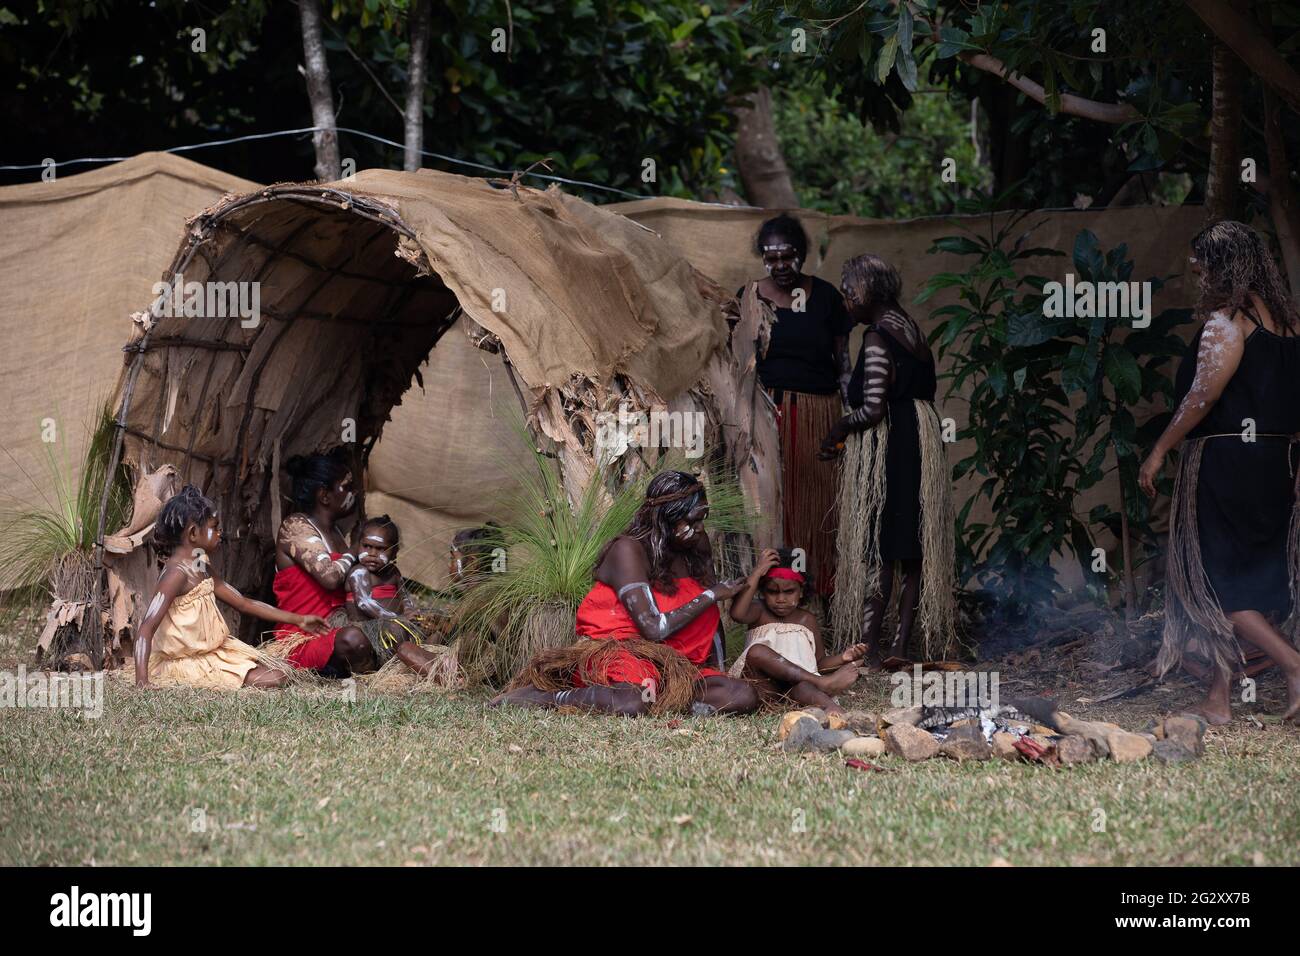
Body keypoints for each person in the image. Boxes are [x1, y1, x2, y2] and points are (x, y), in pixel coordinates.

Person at [1140, 220, 1300, 724]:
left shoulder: (1228, 322)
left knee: (1215, 586)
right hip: (1275, 462)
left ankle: (1295, 667)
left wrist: (1160, 449)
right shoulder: (1289, 325)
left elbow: (1202, 396)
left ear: (1224, 265)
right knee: (1247, 581)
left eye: (1202, 261)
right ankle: (1219, 699)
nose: (1194, 268)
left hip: (1227, 462)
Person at [492, 471, 760, 716]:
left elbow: (710, 622)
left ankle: (667, 699)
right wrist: (712, 594)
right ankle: (545, 697)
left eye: (703, 519)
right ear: (666, 518)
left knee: (741, 695)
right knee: (632, 701)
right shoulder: (627, 551)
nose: (701, 529)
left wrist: (719, 671)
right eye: (692, 521)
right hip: (623, 656)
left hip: (679, 666)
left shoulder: (696, 545)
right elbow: (653, 629)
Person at [820, 254, 957, 665]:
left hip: (890, 447)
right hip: (920, 443)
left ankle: (869, 647)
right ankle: (899, 646)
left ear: (865, 293)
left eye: (848, 293)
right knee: (912, 547)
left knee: (878, 546)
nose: (846, 301)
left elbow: (873, 409)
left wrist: (840, 428)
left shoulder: (878, 337)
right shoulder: (912, 329)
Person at [729, 215, 851, 598]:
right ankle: (772, 594)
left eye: (788, 256)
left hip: (819, 413)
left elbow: (843, 362)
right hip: (767, 415)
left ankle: (820, 593)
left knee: (817, 505)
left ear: (801, 254)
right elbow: (738, 364)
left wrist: (850, 417)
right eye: (771, 257)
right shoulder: (749, 296)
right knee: (771, 504)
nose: (781, 265)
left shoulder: (828, 297)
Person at [134, 486, 327, 689]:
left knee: (281, 669)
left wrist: (299, 619)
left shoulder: (200, 564)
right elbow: (146, 628)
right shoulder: (175, 574)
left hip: (214, 653)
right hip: (190, 662)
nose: (220, 533)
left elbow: (243, 603)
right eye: (214, 527)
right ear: (193, 533)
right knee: (275, 678)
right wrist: (142, 682)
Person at [272, 449, 442, 678]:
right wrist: (353, 551)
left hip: (340, 628)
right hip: (307, 636)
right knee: (353, 639)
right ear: (324, 495)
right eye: (346, 486)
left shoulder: (339, 535)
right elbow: (331, 578)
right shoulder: (296, 526)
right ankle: (383, 667)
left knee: (392, 632)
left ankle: (415, 661)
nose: (354, 493)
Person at [728, 548, 867, 712]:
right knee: (757, 651)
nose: (780, 599)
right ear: (763, 592)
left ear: (801, 591)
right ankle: (823, 683)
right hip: (764, 688)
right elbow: (737, 614)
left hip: (793, 690)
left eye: (789, 592)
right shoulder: (759, 611)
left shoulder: (807, 620)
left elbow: (819, 663)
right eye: (772, 592)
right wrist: (757, 572)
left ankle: (835, 710)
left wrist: (843, 657)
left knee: (805, 688)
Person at [344, 514, 440, 665]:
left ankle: (427, 650)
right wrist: (398, 618)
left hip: (395, 621)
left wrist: (410, 610)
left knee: (433, 626)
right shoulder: (359, 572)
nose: (372, 554)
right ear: (359, 545)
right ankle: (402, 661)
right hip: (369, 626)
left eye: (381, 548)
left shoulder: (393, 572)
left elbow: (404, 595)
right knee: (396, 630)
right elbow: (364, 603)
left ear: (394, 552)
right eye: (366, 546)